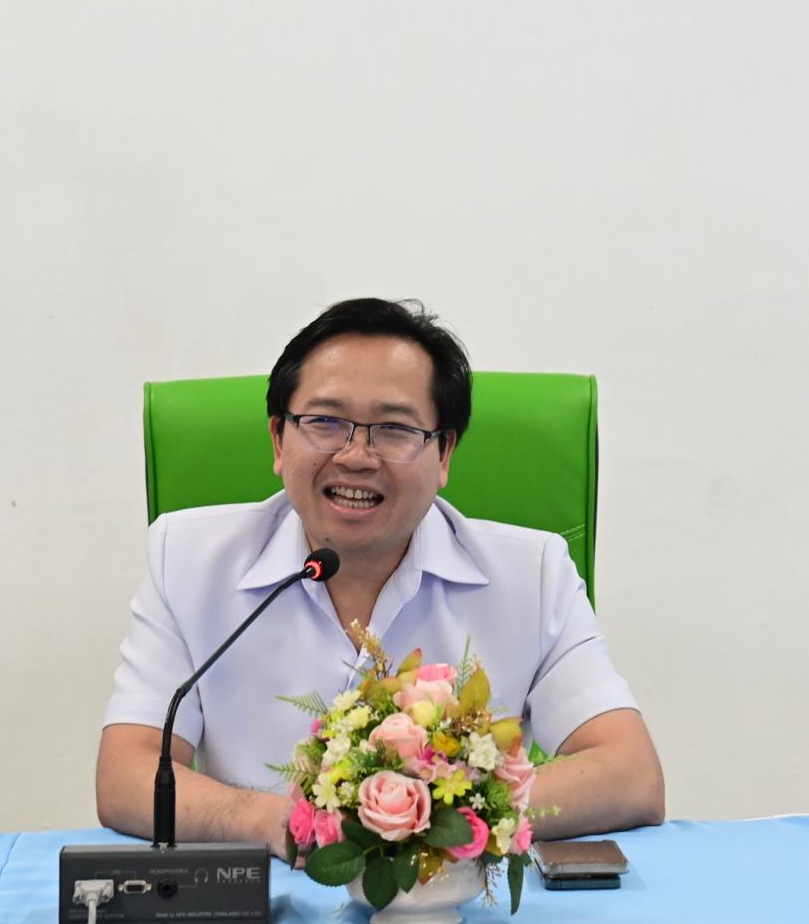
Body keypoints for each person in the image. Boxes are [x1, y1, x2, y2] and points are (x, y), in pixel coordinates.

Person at [97, 298, 664, 853]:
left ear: (444, 454)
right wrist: (277, 823)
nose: (356, 456)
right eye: (325, 422)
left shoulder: (532, 575)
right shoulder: (187, 558)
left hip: (450, 899)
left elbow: (630, 774)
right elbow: (127, 774)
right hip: (266, 890)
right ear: (278, 440)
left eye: (393, 429)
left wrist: (430, 817)